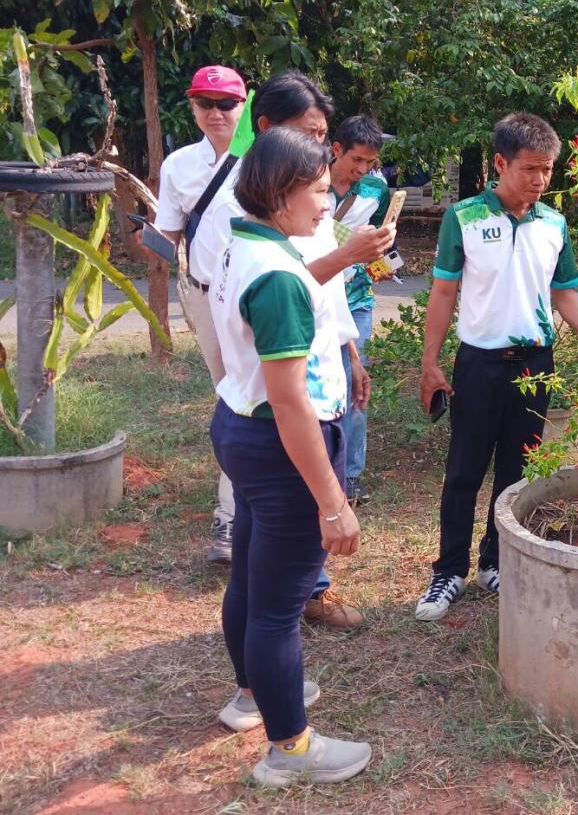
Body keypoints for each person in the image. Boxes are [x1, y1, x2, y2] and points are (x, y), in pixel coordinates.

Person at [191, 70, 394, 629]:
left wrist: (349, 354)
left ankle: (294, 591)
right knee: (276, 578)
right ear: (267, 131)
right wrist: (334, 505)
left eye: (323, 135)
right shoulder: (247, 213)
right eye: (308, 134)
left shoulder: (295, 203)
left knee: (262, 565)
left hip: (303, 372)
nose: (321, 151)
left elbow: (318, 296)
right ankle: (298, 596)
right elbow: (280, 295)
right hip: (277, 399)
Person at [209, 126, 372, 787]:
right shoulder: (276, 276)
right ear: (279, 193)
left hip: (240, 427)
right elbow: (290, 401)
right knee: (278, 609)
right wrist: (332, 501)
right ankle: (290, 749)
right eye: (319, 190)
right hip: (281, 448)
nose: (327, 204)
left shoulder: (244, 244)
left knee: (252, 582)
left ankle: (254, 693)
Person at [415, 113, 578, 622]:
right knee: (464, 471)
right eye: (530, 169)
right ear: (500, 164)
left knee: (517, 470)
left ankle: (496, 562)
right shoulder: (464, 219)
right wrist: (430, 362)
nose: (540, 179)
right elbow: (443, 292)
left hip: (535, 366)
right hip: (478, 364)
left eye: (547, 169)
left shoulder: (553, 225)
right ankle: (449, 571)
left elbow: (565, 292)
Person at [155, 65, 247, 564]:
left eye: (225, 104)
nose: (216, 113)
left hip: (260, 297)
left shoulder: (265, 157)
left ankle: (242, 512)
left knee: (264, 396)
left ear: (243, 106)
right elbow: (168, 235)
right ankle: (232, 515)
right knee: (232, 398)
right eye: (205, 104)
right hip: (205, 296)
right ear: (192, 108)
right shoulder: (178, 166)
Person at [327, 115, 391, 507]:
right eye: (356, 160)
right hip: (318, 295)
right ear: (336, 149)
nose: (363, 169)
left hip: (356, 298)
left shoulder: (375, 189)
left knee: (356, 383)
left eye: (370, 162)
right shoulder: (309, 183)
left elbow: (377, 236)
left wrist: (380, 259)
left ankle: (350, 477)